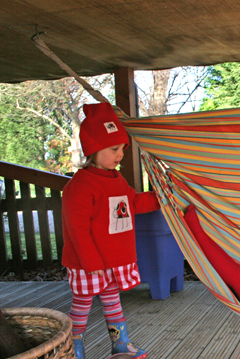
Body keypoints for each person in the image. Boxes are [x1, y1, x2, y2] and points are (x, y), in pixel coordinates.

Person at [62, 102, 160, 359]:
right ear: (94, 149)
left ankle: (120, 344)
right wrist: (90, 260)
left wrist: (158, 198)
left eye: (123, 149)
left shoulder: (117, 179)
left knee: (113, 302)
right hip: (89, 262)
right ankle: (73, 348)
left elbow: (132, 204)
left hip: (113, 259)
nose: (120, 155)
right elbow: (77, 228)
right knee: (82, 305)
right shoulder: (81, 186)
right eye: (114, 148)